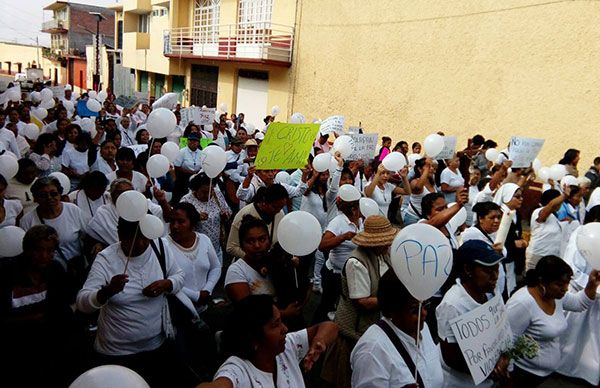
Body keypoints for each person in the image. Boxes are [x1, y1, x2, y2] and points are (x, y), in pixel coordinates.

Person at [76, 218, 187, 388]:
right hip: (116, 353)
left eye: (145, 238)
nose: (141, 244)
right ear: (120, 235)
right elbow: (82, 303)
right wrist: (107, 291)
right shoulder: (106, 259)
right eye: (134, 238)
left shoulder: (160, 247)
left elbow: (179, 275)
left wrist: (166, 284)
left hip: (156, 347)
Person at [0, 225, 86, 386]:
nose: (44, 256)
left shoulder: (56, 271)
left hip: (50, 350)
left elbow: (64, 310)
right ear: (26, 249)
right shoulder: (6, 273)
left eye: (50, 251)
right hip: (15, 351)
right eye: (38, 250)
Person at [321, 215, 397, 388]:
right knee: (348, 377)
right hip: (355, 331)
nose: (388, 245)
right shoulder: (356, 262)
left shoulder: (383, 255)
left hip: (373, 326)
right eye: (385, 242)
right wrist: (394, 299)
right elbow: (362, 301)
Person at [198, 295, 338, 388]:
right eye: (275, 324)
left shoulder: (287, 346)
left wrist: (319, 341)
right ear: (254, 339)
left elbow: (330, 327)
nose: (285, 329)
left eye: (281, 321)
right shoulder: (238, 369)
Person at [507, 256, 600, 386]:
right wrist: (508, 375)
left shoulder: (556, 296)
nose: (566, 288)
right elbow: (507, 340)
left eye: (567, 283)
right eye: (560, 284)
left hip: (542, 376)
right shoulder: (522, 303)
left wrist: (592, 284)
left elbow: (579, 303)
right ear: (542, 281)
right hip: (522, 375)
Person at [351, 270, 444, 388]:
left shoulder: (423, 329)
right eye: (414, 310)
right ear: (391, 310)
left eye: (426, 305)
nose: (424, 313)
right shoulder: (372, 351)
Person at [437, 240, 510, 387]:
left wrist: (504, 357)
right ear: (468, 270)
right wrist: (490, 370)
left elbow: (502, 330)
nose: (495, 276)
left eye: (497, 269)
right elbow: (450, 357)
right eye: (488, 271)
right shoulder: (452, 304)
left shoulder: (492, 293)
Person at [558, 205, 600, 385]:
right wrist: (590, 284)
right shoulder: (580, 235)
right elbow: (572, 266)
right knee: (572, 334)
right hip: (579, 290)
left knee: (591, 337)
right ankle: (564, 365)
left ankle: (588, 370)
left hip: (595, 292)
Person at [20, 176, 87, 282]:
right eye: (43, 195)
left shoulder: (73, 210)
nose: (49, 198)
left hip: (75, 270)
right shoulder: (27, 221)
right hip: (46, 275)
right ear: (35, 198)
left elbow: (88, 236)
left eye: (53, 193)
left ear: (60, 194)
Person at [313, 195, 362, 323]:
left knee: (344, 305)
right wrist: (343, 237)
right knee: (327, 305)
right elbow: (322, 245)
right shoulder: (339, 222)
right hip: (334, 275)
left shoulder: (362, 222)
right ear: (354, 209)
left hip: (350, 274)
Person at [181, 173, 231, 263]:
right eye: (204, 192)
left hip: (216, 247)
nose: (208, 195)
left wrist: (225, 215)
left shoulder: (217, 194)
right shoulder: (186, 201)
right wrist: (196, 217)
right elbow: (181, 224)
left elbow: (227, 211)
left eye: (211, 191)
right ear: (195, 190)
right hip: (197, 251)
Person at [226, 184, 288, 259]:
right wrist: (254, 260)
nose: (278, 211)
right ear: (264, 202)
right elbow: (231, 247)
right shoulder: (243, 215)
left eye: (281, 207)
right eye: (274, 207)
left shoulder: (280, 214)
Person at [461, 201, 507, 295]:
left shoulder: (494, 233)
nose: (497, 221)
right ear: (481, 219)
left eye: (498, 217)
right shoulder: (471, 234)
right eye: (492, 218)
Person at [493, 183, 526, 295]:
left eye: (521, 196)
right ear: (507, 197)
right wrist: (513, 243)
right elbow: (496, 237)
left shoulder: (517, 214)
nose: (521, 199)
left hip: (514, 259)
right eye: (517, 196)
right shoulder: (498, 215)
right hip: (503, 259)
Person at [525, 189, 565, 270]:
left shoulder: (555, 217)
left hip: (551, 257)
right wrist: (565, 195)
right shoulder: (538, 211)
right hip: (538, 256)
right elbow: (551, 206)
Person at [402, 158, 437, 225]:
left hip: (426, 219)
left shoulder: (431, 182)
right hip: (414, 219)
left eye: (432, 166)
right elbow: (418, 187)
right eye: (428, 166)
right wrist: (426, 170)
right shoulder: (414, 182)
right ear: (419, 169)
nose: (432, 168)